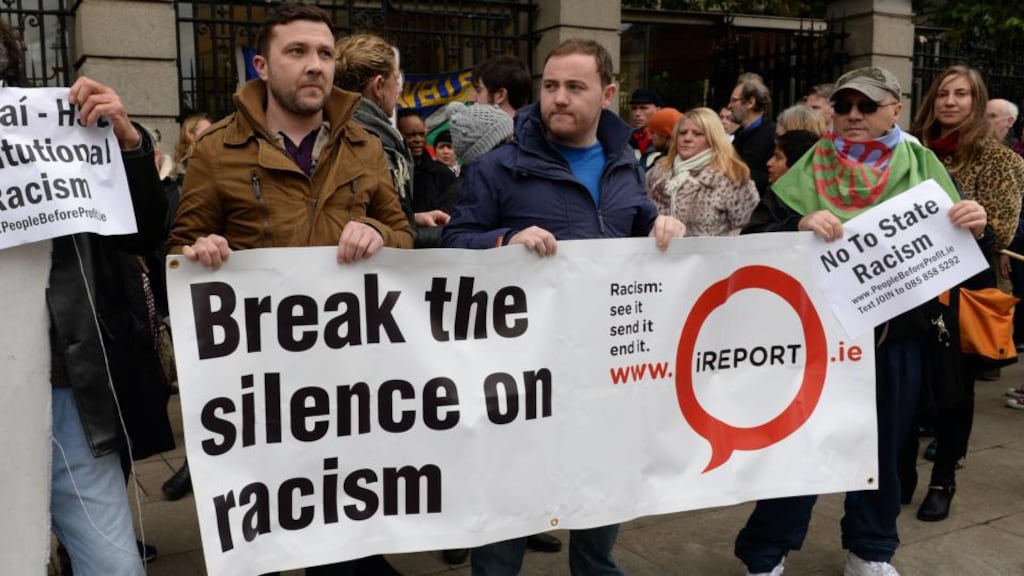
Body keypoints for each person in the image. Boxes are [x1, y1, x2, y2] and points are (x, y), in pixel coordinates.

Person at [166, 5, 413, 575]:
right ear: (262, 64)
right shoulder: (215, 150)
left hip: (344, 380)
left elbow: (402, 233)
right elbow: (178, 251)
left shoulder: (362, 145)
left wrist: (377, 231)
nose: (314, 66)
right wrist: (201, 252)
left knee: (340, 513)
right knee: (265, 528)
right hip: (259, 386)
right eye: (297, 52)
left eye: (325, 54)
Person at [442, 37, 686, 576]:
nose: (558, 98)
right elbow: (455, 242)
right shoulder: (499, 167)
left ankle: (596, 566)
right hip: (522, 371)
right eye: (551, 86)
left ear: (608, 94)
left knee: (603, 484)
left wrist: (656, 225)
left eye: (575, 87)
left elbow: (632, 219)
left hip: (606, 364)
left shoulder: (625, 162)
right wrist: (504, 241)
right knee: (510, 495)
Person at [736, 66, 987, 576]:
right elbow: (756, 235)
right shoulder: (808, 166)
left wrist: (975, 222)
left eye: (867, 107)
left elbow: (958, 245)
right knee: (800, 441)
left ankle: (871, 550)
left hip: (898, 338)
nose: (853, 115)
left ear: (896, 109)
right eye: (844, 105)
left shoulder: (924, 166)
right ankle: (766, 552)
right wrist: (799, 223)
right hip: (816, 336)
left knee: (886, 447)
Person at [0, 18, 169, 574]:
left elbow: (142, 234)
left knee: (113, 565)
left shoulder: (58, 139)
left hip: (61, 391)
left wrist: (128, 146)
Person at [908, 65, 1024, 519]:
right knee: (904, 385)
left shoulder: (1001, 160)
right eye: (942, 94)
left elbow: (1002, 233)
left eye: (961, 94)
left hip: (962, 291)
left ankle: (944, 479)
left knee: (954, 391)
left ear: (977, 102)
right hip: (905, 286)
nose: (950, 102)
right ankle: (900, 469)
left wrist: (978, 224)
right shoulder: (909, 152)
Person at [646, 107, 758, 236]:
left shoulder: (733, 177)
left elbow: (747, 230)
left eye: (697, 133)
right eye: (682, 133)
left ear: (713, 138)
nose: (687, 138)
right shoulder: (657, 173)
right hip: (660, 254)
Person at [397, 108, 457, 248]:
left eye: (421, 134)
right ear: (398, 135)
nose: (417, 140)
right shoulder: (392, 175)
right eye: (411, 135)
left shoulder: (444, 175)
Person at [727, 73, 776, 196]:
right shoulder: (739, 135)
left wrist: (737, 172)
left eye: (734, 100)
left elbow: (774, 179)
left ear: (750, 102)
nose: (729, 106)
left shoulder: (773, 135)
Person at [641, 106, 682, 172]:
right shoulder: (663, 161)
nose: (649, 137)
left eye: (653, 133)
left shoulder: (676, 166)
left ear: (666, 134)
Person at [629, 87, 662, 155]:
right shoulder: (624, 138)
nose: (637, 113)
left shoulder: (666, 139)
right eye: (634, 108)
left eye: (643, 108)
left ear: (658, 110)